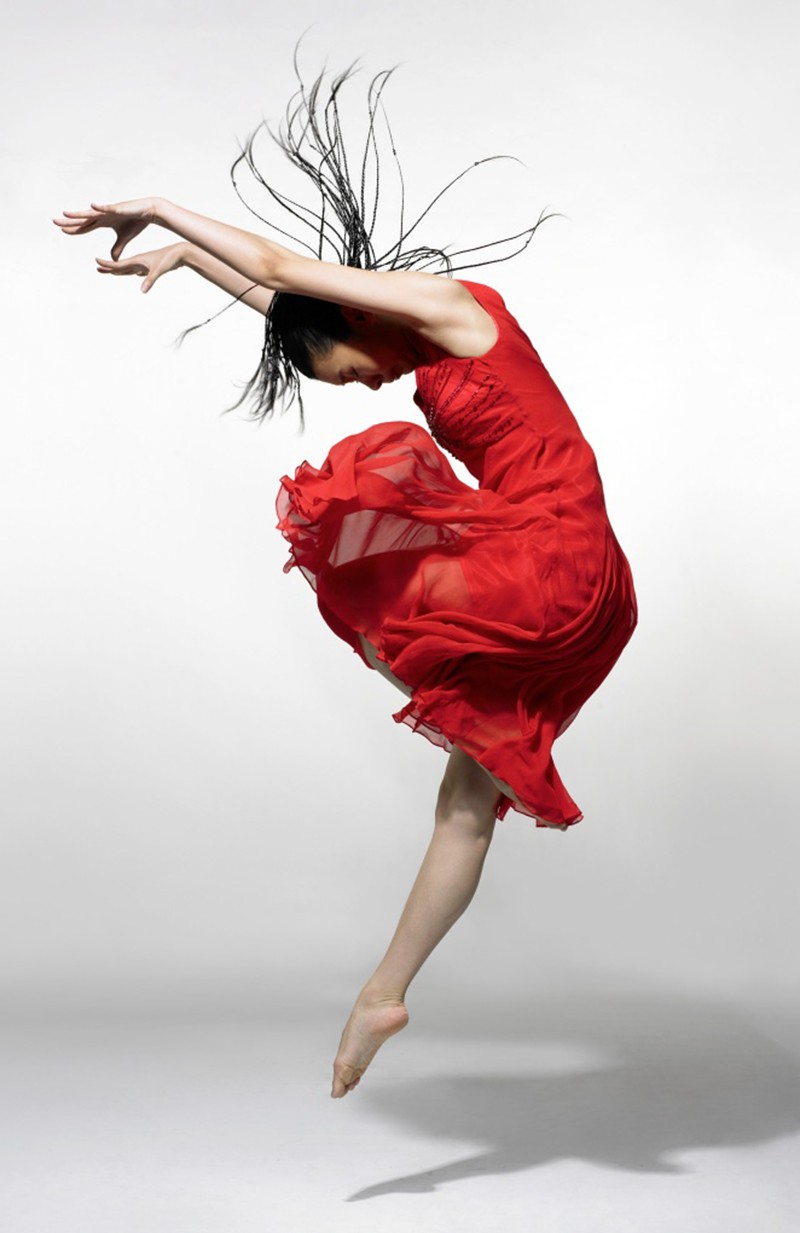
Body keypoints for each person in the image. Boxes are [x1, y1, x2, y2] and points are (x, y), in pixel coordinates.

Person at [54, 61, 638, 1100]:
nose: (366, 385)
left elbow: (290, 270)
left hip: (553, 560)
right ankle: (383, 994)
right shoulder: (410, 338)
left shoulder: (449, 307)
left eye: (346, 370)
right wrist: (191, 263)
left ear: (356, 324)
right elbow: (291, 297)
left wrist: (162, 207)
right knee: (467, 798)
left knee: (348, 505)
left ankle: (421, 677)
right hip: (580, 580)